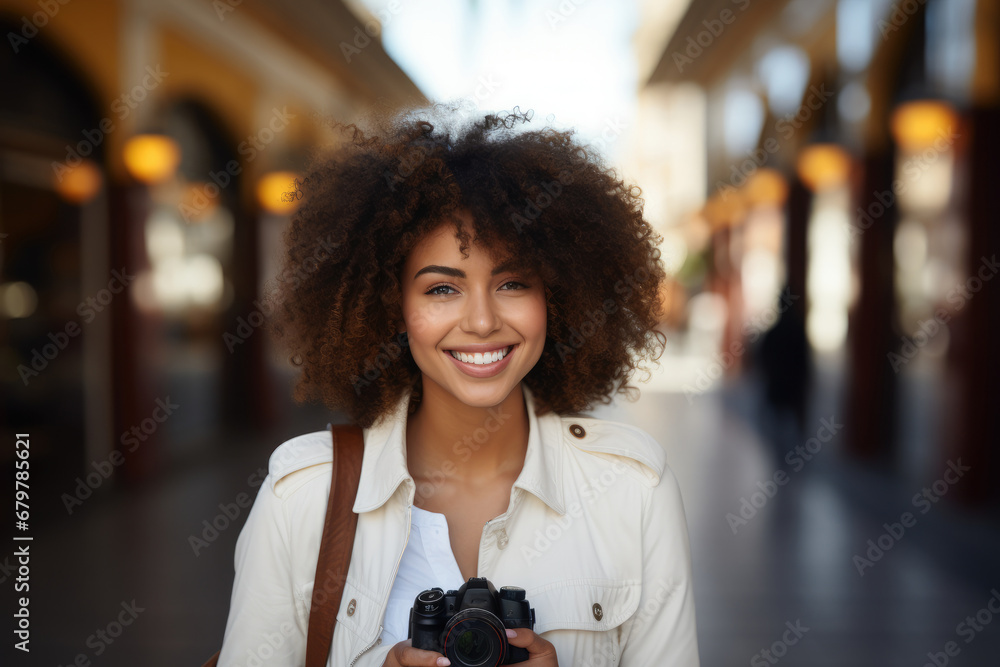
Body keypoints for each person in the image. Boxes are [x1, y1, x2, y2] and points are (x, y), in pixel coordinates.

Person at [215, 103, 700, 666]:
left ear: (558, 298)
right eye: (441, 289)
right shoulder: (302, 496)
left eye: (513, 282)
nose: (481, 321)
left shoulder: (634, 491)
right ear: (389, 307)